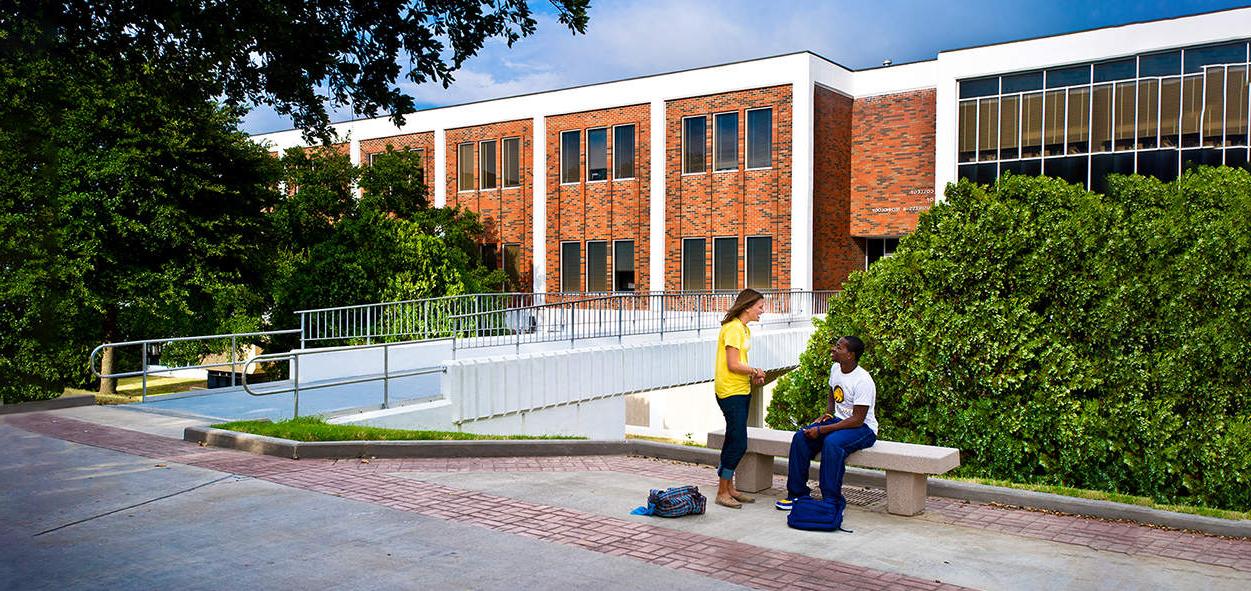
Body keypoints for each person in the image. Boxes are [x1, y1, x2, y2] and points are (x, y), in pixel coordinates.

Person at [775, 335, 877, 511]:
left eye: (839, 347)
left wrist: (822, 430)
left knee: (832, 443)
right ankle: (797, 495)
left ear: (850, 355)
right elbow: (833, 392)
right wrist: (828, 414)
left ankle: (831, 500)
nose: (834, 349)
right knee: (801, 437)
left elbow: (857, 419)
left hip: (863, 428)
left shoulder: (863, 380)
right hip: (839, 422)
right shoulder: (836, 368)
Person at [713, 288, 768, 509]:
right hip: (730, 391)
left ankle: (729, 488)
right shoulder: (734, 328)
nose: (762, 311)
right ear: (748, 307)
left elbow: (740, 362)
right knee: (738, 442)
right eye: (760, 307)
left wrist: (752, 375)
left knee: (732, 439)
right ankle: (721, 491)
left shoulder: (743, 329)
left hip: (741, 388)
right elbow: (733, 364)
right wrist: (755, 371)